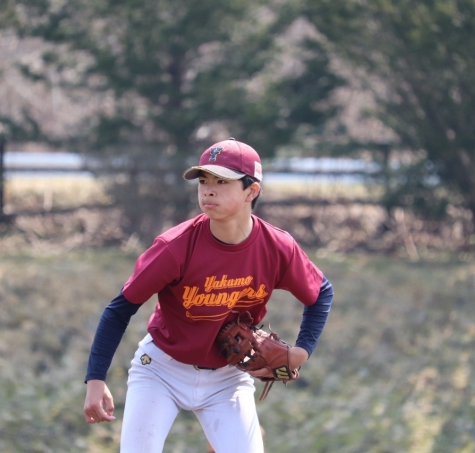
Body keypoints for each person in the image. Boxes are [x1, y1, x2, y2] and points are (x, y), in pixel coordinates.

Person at [83, 137, 334, 452]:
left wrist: (303, 351)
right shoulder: (174, 247)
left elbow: (321, 292)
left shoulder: (277, 247)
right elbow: (119, 309)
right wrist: (96, 379)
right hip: (160, 369)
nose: (208, 190)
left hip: (227, 378)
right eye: (203, 181)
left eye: (222, 181)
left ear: (251, 191)